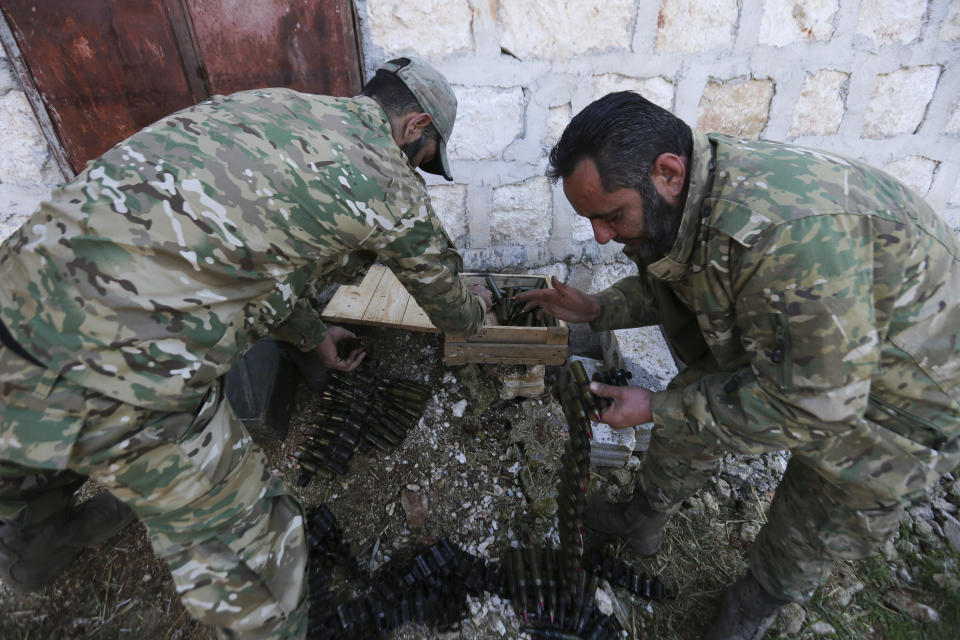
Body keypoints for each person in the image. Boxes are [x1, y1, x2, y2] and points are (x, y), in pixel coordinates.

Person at [0, 57, 489, 639]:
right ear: (416, 126)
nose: (420, 172)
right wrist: (477, 300)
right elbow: (452, 311)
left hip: (18, 292)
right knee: (261, 557)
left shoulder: (268, 108)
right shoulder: (386, 178)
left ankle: (37, 550)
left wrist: (311, 335)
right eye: (427, 160)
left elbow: (253, 265)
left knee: (22, 450)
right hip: (129, 364)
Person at [516, 91, 960, 640]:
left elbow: (814, 407)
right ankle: (643, 519)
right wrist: (598, 308)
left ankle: (750, 608)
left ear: (668, 173)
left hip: (903, 390)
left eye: (610, 216)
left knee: (816, 513)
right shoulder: (689, 193)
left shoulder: (785, 243)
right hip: (811, 341)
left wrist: (658, 407)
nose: (601, 236)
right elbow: (678, 277)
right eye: (592, 220)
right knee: (690, 410)